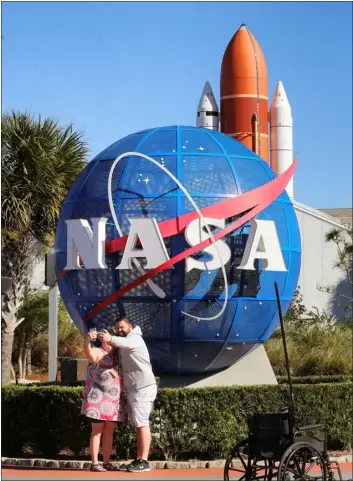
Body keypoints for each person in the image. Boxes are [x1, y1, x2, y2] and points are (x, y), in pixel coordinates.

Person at [98, 318, 157, 473]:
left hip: (142, 388)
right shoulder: (126, 341)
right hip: (134, 389)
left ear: (130, 326)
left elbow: (123, 343)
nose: (119, 330)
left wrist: (111, 338)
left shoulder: (135, 339)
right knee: (138, 424)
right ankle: (139, 459)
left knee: (142, 423)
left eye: (122, 327)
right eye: (117, 328)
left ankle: (144, 461)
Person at [82, 328, 124, 472]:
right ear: (102, 339)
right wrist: (88, 340)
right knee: (97, 431)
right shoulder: (98, 352)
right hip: (96, 398)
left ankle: (106, 462)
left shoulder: (120, 355)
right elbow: (89, 354)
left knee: (109, 431)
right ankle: (95, 463)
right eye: (106, 339)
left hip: (113, 400)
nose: (109, 343)